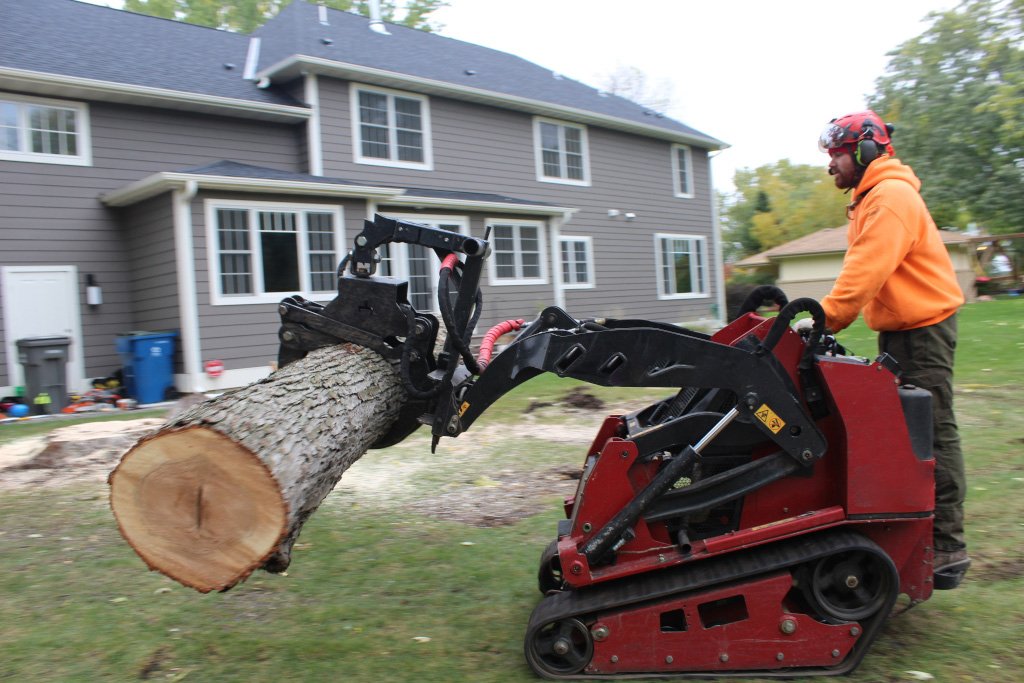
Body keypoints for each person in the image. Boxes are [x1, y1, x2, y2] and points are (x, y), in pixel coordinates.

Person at [809, 110, 970, 587]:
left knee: (932, 432)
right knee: (901, 436)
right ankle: (908, 530)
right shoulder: (872, 198)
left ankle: (946, 546)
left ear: (864, 151)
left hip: (924, 331)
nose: (830, 165)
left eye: (836, 154)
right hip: (902, 332)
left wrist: (826, 317)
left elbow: (865, 271)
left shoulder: (891, 198)